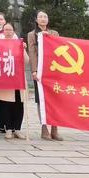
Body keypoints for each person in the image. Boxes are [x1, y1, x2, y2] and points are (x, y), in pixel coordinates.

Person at [27, 10, 62, 141]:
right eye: (40, 17)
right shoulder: (31, 35)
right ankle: (44, 127)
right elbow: (32, 53)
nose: (43, 19)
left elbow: (59, 51)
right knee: (41, 99)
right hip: (40, 71)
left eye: (45, 17)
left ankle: (55, 128)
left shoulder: (54, 33)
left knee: (55, 99)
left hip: (53, 70)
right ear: (36, 20)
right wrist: (34, 70)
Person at [0, 22, 28, 139]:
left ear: (13, 31)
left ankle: (17, 129)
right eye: (6, 30)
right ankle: (8, 128)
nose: (8, 32)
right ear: (3, 31)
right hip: (5, 79)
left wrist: (23, 49)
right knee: (6, 105)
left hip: (18, 80)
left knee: (19, 105)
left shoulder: (18, 43)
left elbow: (26, 61)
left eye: (10, 30)